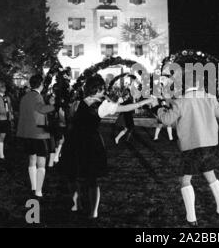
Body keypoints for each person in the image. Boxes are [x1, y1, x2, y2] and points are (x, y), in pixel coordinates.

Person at [60, 75, 154, 219]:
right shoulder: (101, 105)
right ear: (99, 89)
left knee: (72, 174)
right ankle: (93, 211)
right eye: (102, 89)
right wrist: (146, 101)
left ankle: (76, 204)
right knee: (91, 178)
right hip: (90, 142)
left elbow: (71, 119)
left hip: (73, 140)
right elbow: (125, 107)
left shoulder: (77, 103)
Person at [154, 70, 219, 227]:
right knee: (210, 175)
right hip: (210, 144)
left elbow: (166, 119)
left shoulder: (181, 101)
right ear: (198, 83)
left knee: (185, 180)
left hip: (191, 146)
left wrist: (157, 107)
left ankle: (191, 218)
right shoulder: (209, 98)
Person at [17, 75, 56, 198]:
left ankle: (33, 187)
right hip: (39, 133)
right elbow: (42, 109)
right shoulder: (37, 96)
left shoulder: (25, 97)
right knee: (41, 162)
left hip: (27, 133)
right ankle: (38, 190)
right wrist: (52, 105)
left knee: (31, 160)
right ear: (41, 84)